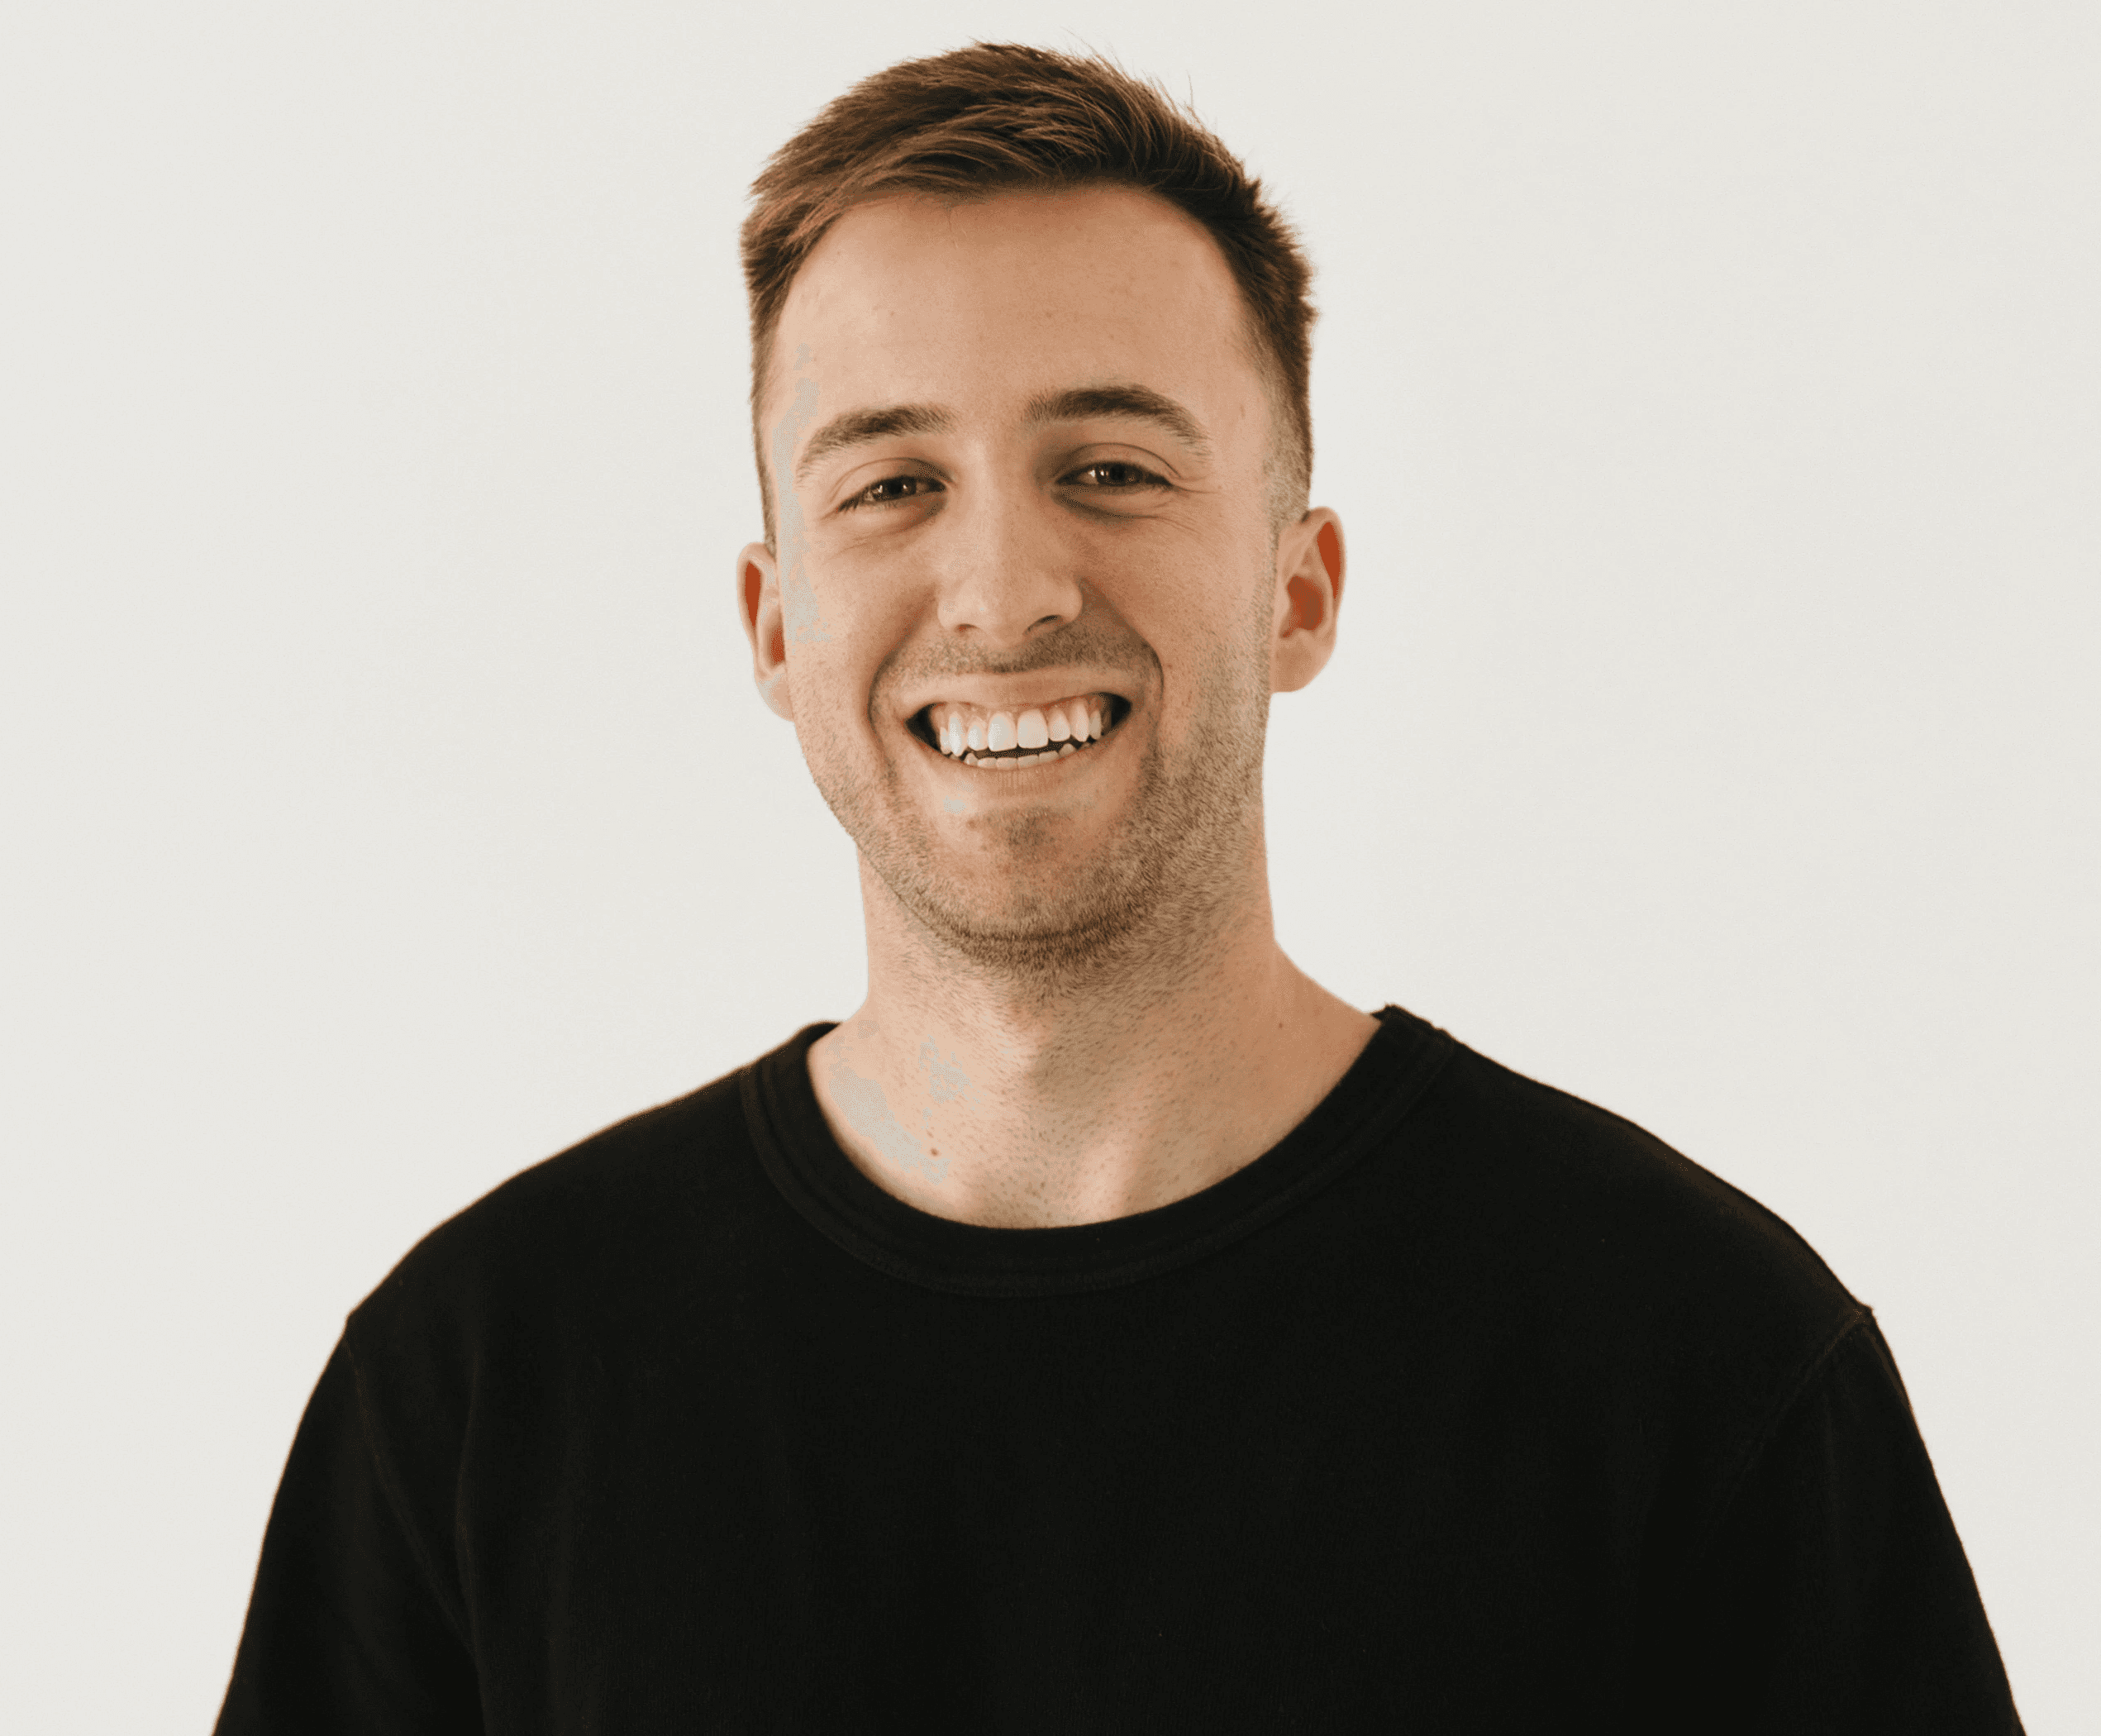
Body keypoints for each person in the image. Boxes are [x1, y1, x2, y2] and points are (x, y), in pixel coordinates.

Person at [215, 44, 2022, 1732]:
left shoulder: (1691, 1369)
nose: (1003, 590)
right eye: (891, 484)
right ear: (772, 625)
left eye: (1109, 469)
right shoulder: (477, 1389)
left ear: (1297, 590)